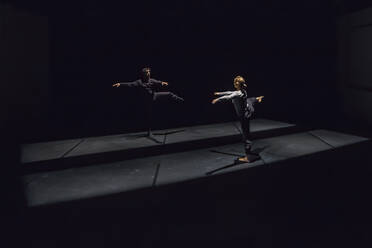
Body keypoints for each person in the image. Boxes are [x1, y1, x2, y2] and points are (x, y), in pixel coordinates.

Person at [112, 67, 184, 140]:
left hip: (154, 96)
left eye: (149, 72)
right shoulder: (139, 82)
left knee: (169, 94)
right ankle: (149, 132)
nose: (148, 74)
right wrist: (120, 84)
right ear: (143, 74)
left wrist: (162, 83)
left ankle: (180, 100)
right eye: (147, 72)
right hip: (147, 101)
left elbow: (158, 81)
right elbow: (130, 84)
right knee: (149, 115)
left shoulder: (151, 80)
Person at [212, 76, 264, 163]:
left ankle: (248, 156)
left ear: (238, 84)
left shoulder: (238, 94)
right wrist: (219, 93)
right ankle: (258, 98)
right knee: (250, 100)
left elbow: (228, 97)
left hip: (245, 116)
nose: (234, 83)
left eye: (236, 82)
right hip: (248, 107)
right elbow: (229, 92)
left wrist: (218, 99)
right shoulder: (242, 91)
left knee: (246, 135)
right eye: (234, 82)